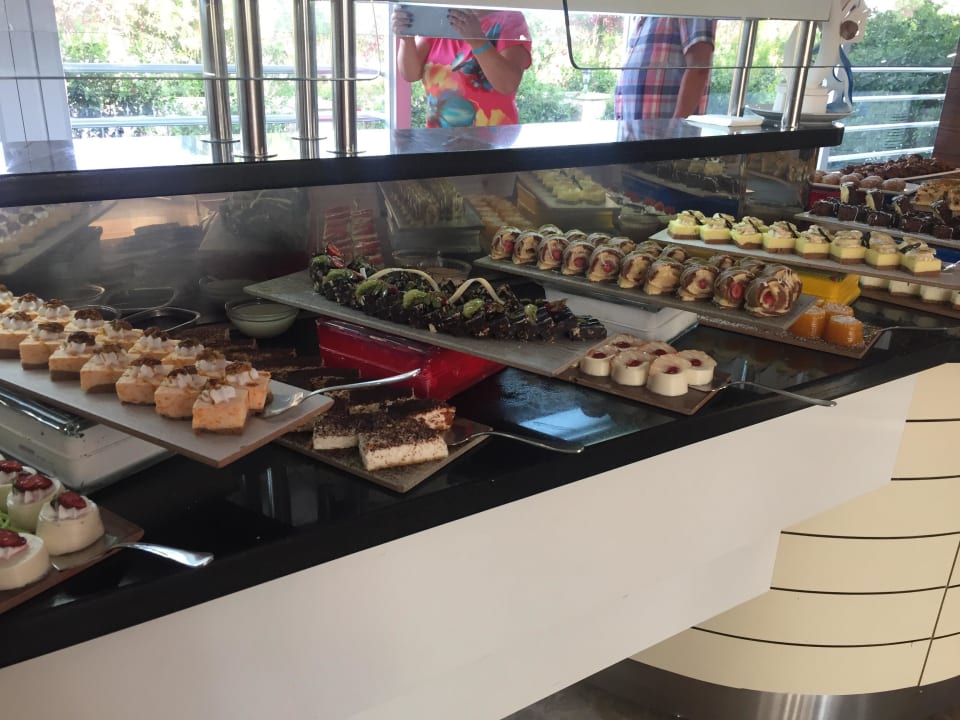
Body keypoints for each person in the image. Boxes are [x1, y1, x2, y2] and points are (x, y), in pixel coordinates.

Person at [392, 7, 532, 128]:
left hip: (494, 144)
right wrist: (406, 38)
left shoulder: (510, 19)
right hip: (440, 143)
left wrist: (477, 40)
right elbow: (410, 74)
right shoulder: (439, 20)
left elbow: (507, 84)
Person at [615, 16, 717, 121]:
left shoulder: (683, 8)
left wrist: (676, 127)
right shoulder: (645, 16)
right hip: (642, 128)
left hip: (666, 129)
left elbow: (699, 68)